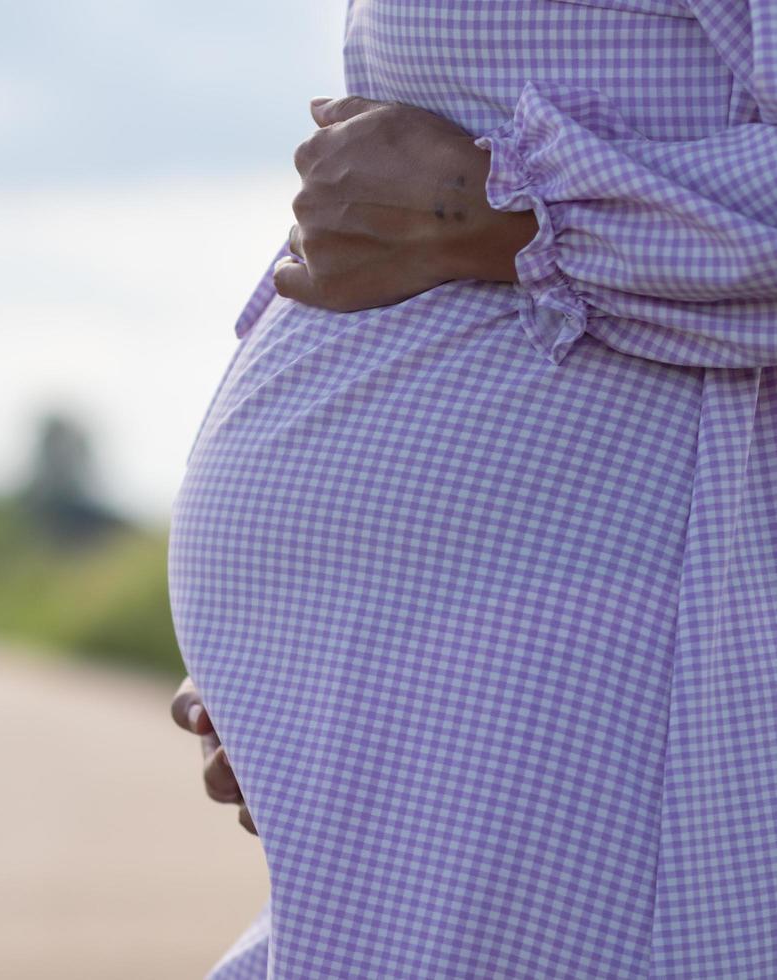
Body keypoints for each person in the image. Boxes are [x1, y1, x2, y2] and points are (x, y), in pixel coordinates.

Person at [166, 0, 777, 976]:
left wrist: (501, 214)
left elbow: (444, 210)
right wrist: (299, 656)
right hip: (458, 685)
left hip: (626, 646)